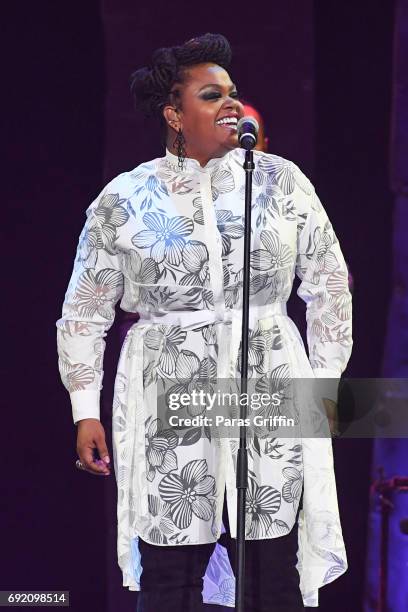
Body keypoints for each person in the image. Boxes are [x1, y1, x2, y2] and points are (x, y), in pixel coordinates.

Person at [56, 33, 353, 611]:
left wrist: (325, 385)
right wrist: (84, 409)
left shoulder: (281, 183)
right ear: (174, 114)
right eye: (212, 95)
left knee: (270, 560)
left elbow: (330, 286)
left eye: (233, 93)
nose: (231, 105)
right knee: (172, 566)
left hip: (268, 378)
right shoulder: (125, 199)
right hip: (170, 386)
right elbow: (84, 312)